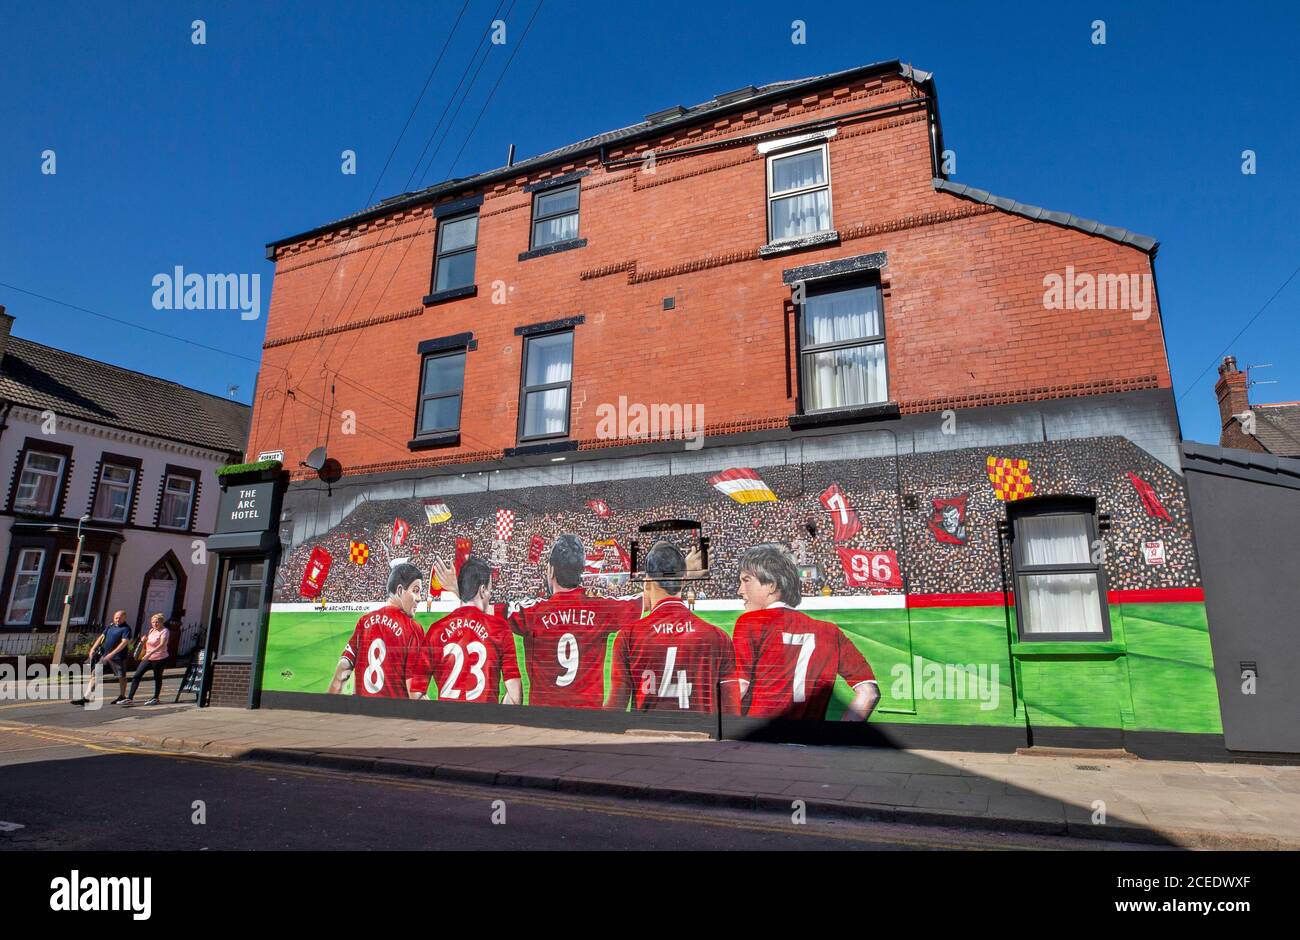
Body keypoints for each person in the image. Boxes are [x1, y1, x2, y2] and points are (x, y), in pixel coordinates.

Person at [434, 534, 643, 709]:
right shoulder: (603, 609)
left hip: (543, 721)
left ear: (550, 570)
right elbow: (643, 600)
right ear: (582, 571)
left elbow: (482, 608)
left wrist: (458, 588)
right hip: (586, 722)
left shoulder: (530, 612)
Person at [725, 543, 879, 722]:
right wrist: (841, 735)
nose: (740, 590)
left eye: (746, 580)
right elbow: (869, 693)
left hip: (762, 740)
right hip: (810, 741)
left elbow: (739, 688)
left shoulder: (751, 622)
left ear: (772, 586)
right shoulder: (830, 632)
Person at [605, 541, 737, 713]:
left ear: (646, 583)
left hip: (645, 737)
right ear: (683, 581)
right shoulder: (719, 638)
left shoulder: (628, 637)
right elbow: (731, 713)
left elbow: (615, 709)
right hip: (699, 738)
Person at [412, 556, 521, 705]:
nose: (490, 595)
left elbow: (416, 695)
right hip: (485, 723)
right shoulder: (500, 629)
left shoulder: (435, 630)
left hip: (448, 723)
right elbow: (515, 698)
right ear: (483, 590)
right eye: (489, 590)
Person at [327, 562, 425, 698]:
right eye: (415, 590)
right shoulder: (413, 629)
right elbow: (415, 693)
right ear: (400, 590)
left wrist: (329, 705)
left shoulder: (364, 622)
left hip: (360, 713)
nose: (420, 598)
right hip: (393, 714)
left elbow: (343, 668)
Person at [76, 610, 132, 706]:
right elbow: (101, 637)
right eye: (116, 618)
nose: (117, 620)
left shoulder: (126, 629)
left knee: (121, 676)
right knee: (95, 674)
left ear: (124, 618)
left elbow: (124, 643)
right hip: (105, 656)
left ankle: (122, 695)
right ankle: (86, 698)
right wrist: (92, 649)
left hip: (118, 657)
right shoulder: (110, 626)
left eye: (119, 618)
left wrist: (113, 653)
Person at [121, 614, 170, 707]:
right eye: (153, 622)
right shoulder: (151, 630)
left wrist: (150, 653)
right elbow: (148, 643)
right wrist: (143, 641)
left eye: (157, 622)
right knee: (137, 675)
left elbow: (162, 644)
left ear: (161, 622)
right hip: (148, 657)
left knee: (157, 677)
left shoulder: (165, 631)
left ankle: (156, 698)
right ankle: (129, 698)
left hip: (160, 658)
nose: (155, 624)